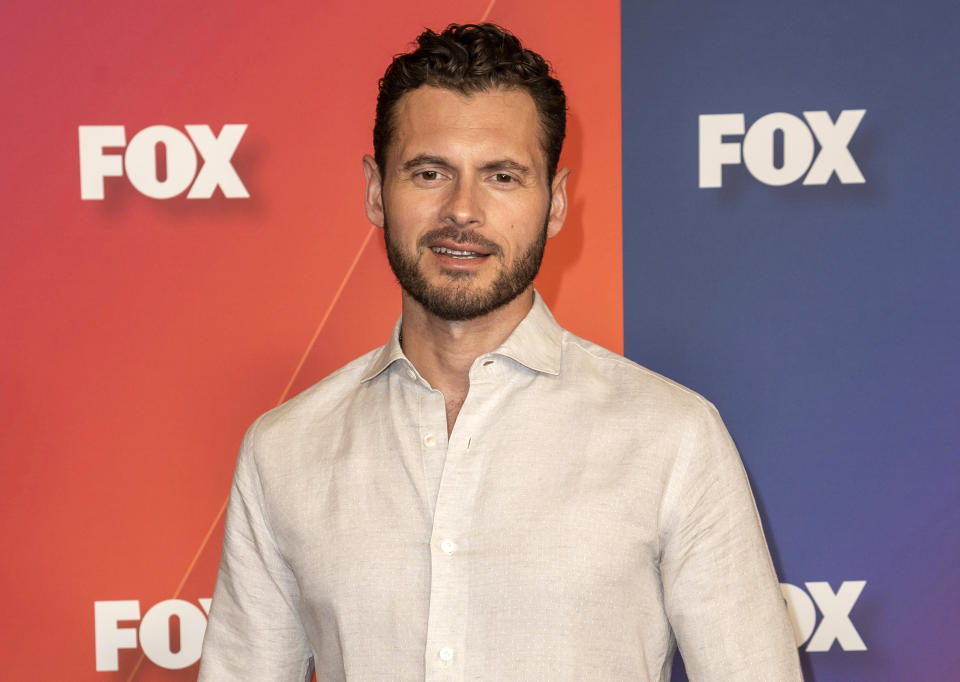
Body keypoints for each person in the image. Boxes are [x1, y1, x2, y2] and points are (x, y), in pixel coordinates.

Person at [199, 23, 802, 681]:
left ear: (556, 202)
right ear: (377, 191)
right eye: (430, 173)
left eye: (503, 177)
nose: (463, 210)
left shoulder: (672, 438)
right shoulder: (284, 451)